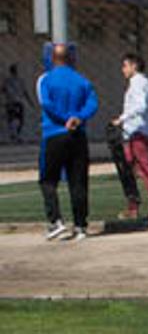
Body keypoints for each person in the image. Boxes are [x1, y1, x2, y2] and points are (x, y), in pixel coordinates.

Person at [36, 42, 97, 242]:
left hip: (54, 133)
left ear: (52, 59)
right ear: (71, 58)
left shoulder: (47, 80)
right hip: (78, 135)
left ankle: (56, 221)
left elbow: (46, 103)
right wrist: (78, 117)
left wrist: (64, 118)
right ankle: (80, 226)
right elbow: (92, 103)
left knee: (48, 179)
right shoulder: (81, 80)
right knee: (78, 180)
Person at [109, 52, 148, 220]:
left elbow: (140, 106)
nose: (123, 69)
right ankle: (135, 206)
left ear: (133, 66)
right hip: (143, 132)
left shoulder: (137, 84)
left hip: (136, 132)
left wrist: (121, 119)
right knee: (133, 168)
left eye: (125, 65)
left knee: (141, 169)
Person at [3, 63, 27, 144]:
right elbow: (25, 92)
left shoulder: (18, 80)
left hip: (14, 102)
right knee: (15, 119)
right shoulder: (9, 80)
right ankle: (15, 136)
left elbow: (24, 91)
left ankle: (15, 135)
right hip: (14, 102)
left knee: (16, 119)